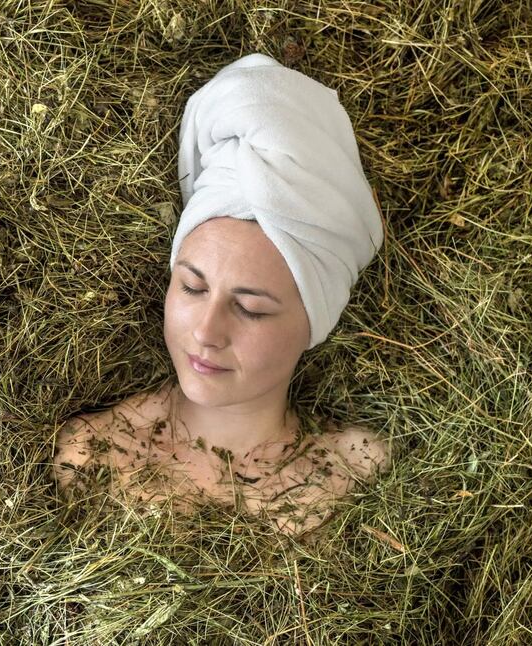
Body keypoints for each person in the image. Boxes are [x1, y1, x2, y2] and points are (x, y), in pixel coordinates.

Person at [52, 53, 391, 537]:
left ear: (316, 320)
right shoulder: (91, 456)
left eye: (250, 309)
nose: (206, 332)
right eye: (192, 286)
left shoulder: (359, 472)